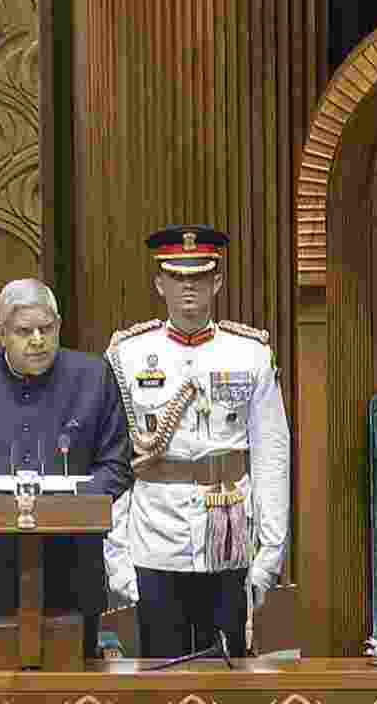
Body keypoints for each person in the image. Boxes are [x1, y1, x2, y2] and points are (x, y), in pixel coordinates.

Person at [106, 225, 290, 658]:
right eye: (176, 276)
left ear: (217, 282)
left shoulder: (250, 354)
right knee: (159, 673)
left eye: (200, 276)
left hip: (227, 534)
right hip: (155, 535)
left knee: (227, 673)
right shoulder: (127, 355)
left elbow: (272, 455)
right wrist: (116, 555)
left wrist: (270, 552)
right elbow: (116, 460)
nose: (188, 286)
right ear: (159, 283)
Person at [0, 278, 131, 661]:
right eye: (24, 331)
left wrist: (63, 504)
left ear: (59, 325)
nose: (38, 340)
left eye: (46, 329)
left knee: (76, 688)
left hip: (73, 568)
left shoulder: (93, 377)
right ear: (2, 332)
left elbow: (116, 464)